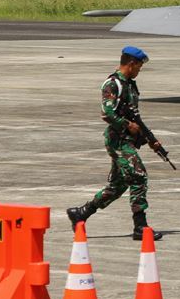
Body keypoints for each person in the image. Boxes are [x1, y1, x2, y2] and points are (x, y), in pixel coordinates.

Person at [66, 46, 163, 240]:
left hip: (127, 140)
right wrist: (128, 125)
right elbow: (107, 113)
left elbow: (136, 118)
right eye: (139, 66)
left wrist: (149, 139)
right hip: (118, 141)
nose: (139, 70)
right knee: (138, 175)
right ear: (131, 64)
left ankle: (81, 213)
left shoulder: (130, 85)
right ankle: (140, 227)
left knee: (117, 186)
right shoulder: (112, 84)